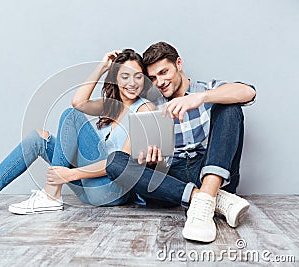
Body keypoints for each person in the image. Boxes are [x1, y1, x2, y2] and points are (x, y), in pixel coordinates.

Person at [0, 49, 155, 219]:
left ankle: (50, 194)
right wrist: (101, 67)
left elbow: (123, 166)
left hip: (111, 191)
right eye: (124, 76)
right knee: (39, 137)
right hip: (88, 188)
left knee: (71, 115)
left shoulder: (145, 109)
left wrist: (70, 175)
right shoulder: (110, 106)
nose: (132, 83)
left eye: (137, 76)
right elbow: (79, 101)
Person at [105, 42, 256, 243]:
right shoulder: (150, 106)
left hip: (209, 171)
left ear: (178, 64)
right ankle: (208, 199)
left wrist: (200, 98)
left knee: (230, 108)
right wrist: (149, 161)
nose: (160, 82)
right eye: (153, 78)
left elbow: (248, 92)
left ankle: (208, 194)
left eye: (164, 72)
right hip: (173, 180)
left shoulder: (206, 90)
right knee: (115, 162)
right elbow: (132, 161)